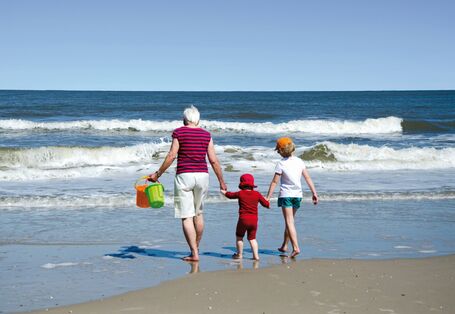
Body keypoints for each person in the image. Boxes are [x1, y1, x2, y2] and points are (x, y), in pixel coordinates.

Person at [148, 105, 227, 262]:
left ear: (185, 119)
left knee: (186, 216)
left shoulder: (179, 132)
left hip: (185, 176)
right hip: (203, 176)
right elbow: (213, 160)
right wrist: (221, 181)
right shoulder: (206, 135)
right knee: (198, 213)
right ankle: (196, 248)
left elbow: (171, 155)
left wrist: (158, 174)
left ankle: (194, 253)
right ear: (198, 119)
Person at [266, 137, 318, 258]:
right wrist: (314, 193)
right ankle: (284, 245)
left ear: (280, 151)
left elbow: (274, 182)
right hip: (298, 196)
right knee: (290, 221)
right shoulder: (299, 161)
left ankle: (296, 247)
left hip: (286, 195)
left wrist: (268, 197)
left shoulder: (281, 163)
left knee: (289, 221)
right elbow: (308, 178)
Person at [221, 174, 270, 261]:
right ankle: (256, 256)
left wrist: (224, 192)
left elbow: (230, 195)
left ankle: (239, 255)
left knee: (239, 236)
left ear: (242, 183)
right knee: (252, 238)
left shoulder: (240, 193)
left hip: (243, 219)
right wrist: (268, 203)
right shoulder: (257, 194)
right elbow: (266, 204)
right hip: (254, 220)